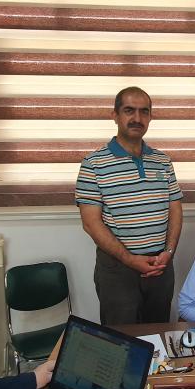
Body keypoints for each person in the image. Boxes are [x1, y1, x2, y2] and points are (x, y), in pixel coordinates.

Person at [76, 86, 183, 325]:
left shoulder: (163, 161)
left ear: (150, 117)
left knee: (159, 335)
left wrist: (168, 252)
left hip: (160, 266)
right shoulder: (93, 164)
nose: (137, 118)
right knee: (120, 339)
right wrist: (129, 259)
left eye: (144, 111)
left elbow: (175, 210)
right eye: (129, 110)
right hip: (118, 271)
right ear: (114, 115)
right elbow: (90, 223)